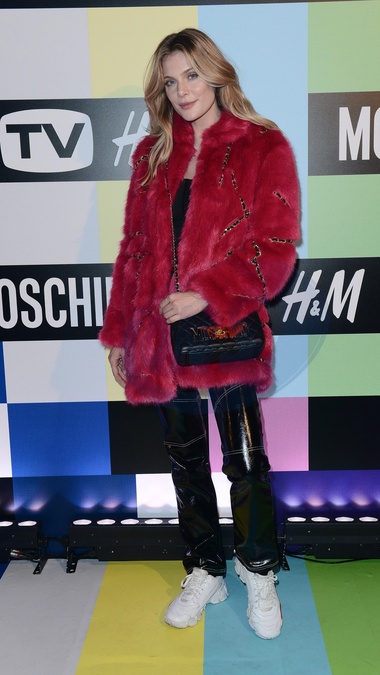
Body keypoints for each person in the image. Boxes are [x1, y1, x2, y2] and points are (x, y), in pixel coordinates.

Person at [99, 28, 300, 640]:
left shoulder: (261, 145)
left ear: (216, 73)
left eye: (191, 75)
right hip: (161, 338)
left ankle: (258, 570)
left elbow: (276, 249)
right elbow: (134, 250)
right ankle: (205, 568)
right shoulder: (151, 156)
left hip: (226, 331)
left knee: (245, 459)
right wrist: (120, 332)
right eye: (170, 81)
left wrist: (207, 292)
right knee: (184, 459)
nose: (182, 91)